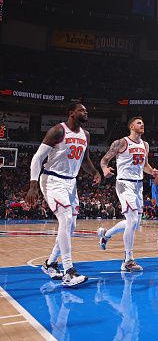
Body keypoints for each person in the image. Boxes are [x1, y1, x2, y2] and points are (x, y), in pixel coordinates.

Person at [26, 102, 100, 287]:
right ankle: (68, 271)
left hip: (71, 182)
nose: (86, 111)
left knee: (71, 225)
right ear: (71, 113)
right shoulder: (58, 131)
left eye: (86, 109)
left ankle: (50, 263)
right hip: (52, 179)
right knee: (66, 220)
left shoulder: (86, 135)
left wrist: (95, 172)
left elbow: (84, 159)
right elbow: (37, 158)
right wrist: (33, 185)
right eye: (81, 109)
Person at [97, 117, 158, 271]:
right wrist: (105, 169)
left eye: (143, 123)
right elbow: (104, 160)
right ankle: (128, 260)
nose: (142, 124)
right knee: (131, 221)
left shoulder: (145, 145)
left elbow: (144, 165)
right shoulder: (121, 142)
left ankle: (106, 235)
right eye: (139, 123)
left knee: (135, 224)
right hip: (124, 183)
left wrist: (152, 171)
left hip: (138, 185)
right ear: (131, 126)